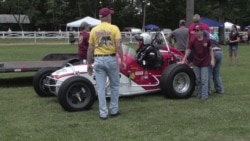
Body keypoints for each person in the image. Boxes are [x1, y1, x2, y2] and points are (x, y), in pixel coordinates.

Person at [87, 7, 126, 120]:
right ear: (107, 17)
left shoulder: (94, 30)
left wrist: (89, 63)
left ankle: (103, 113)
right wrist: (122, 60)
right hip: (111, 59)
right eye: (110, 15)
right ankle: (114, 110)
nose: (111, 17)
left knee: (101, 88)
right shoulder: (114, 28)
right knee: (114, 85)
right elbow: (118, 45)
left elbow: (90, 49)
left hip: (98, 60)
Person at [180, 25, 214, 100]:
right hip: (196, 63)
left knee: (204, 80)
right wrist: (184, 59)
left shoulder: (207, 40)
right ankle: (199, 94)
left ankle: (204, 96)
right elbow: (188, 50)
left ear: (202, 31)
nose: (196, 32)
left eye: (197, 31)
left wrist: (212, 60)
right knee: (198, 79)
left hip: (205, 63)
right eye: (195, 31)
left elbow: (210, 50)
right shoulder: (193, 41)